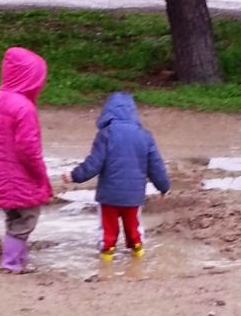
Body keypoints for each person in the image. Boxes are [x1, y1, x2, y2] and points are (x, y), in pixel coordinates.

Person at [62, 91, 170, 261]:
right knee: (134, 229)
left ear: (107, 111)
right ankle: (138, 257)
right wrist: (163, 186)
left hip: (109, 197)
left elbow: (94, 163)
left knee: (108, 233)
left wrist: (75, 175)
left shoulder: (106, 134)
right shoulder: (145, 136)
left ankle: (106, 262)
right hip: (133, 197)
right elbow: (155, 165)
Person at [0, 46, 52, 273]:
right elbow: (28, 147)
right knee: (27, 217)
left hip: (1, 170)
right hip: (20, 173)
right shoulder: (24, 108)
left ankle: (19, 259)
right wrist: (39, 173)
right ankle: (12, 262)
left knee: (14, 216)